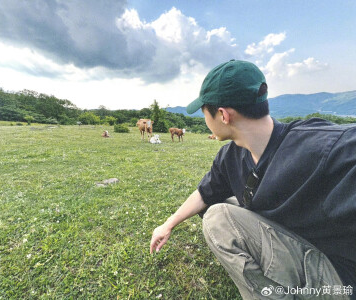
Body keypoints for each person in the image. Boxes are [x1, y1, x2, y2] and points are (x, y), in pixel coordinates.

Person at [150, 60, 355, 299]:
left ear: (223, 115)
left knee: (219, 219)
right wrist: (168, 224)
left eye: (204, 111)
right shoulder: (231, 156)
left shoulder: (322, 146)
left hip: (337, 279)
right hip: (298, 246)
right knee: (216, 206)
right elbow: (205, 193)